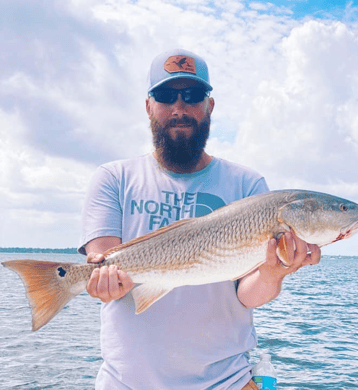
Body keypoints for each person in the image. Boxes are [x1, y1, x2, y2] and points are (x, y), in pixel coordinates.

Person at [78, 49, 321, 390]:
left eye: (192, 95)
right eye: (165, 95)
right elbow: (104, 264)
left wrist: (273, 271)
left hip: (226, 382)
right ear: (149, 106)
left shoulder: (248, 185)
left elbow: (248, 296)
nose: (179, 107)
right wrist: (102, 282)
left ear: (210, 106)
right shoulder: (113, 178)